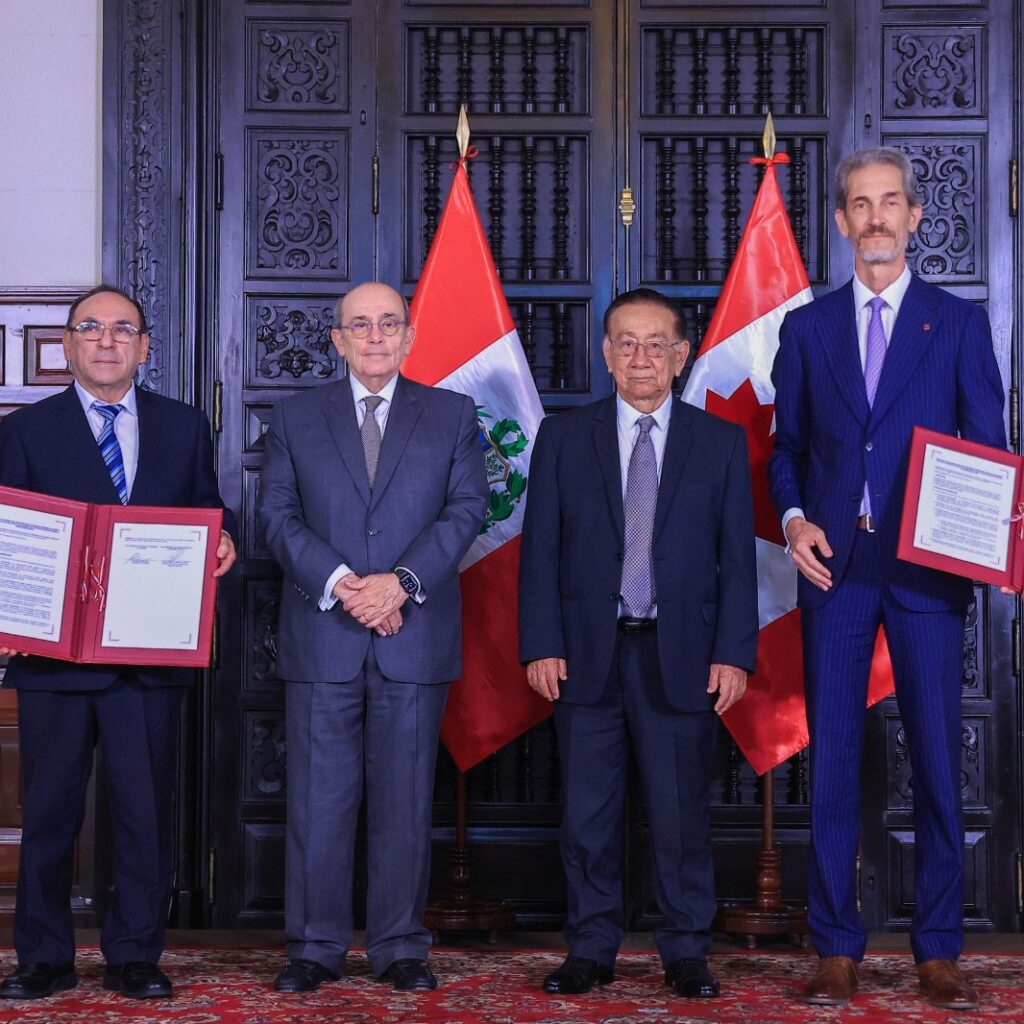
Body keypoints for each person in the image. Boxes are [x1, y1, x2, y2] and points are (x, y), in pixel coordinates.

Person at [768, 147, 1005, 1011]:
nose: (876, 217)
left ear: (913, 217)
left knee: (938, 759)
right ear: (842, 222)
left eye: (890, 202)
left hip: (927, 571)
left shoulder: (959, 323)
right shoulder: (808, 329)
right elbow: (787, 449)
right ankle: (835, 946)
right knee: (831, 762)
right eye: (860, 204)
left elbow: (988, 448)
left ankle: (938, 950)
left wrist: (991, 542)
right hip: (834, 570)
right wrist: (794, 519)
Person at [519, 288, 758, 999]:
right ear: (606, 353)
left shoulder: (719, 442)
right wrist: (540, 643)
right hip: (585, 654)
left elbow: (737, 559)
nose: (642, 358)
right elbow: (540, 552)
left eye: (657, 344)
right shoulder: (563, 438)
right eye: (627, 343)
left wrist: (734, 652)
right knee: (587, 818)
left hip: (682, 655)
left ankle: (685, 951)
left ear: (681, 356)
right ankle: (590, 950)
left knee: (681, 817)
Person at [0, 284, 237, 1001]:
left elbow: (206, 508)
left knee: (144, 812)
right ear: (67, 344)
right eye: (91, 328)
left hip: (147, 657)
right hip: (54, 661)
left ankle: (135, 955)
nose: (106, 341)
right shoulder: (24, 431)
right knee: (49, 816)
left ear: (144, 347)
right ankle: (42, 958)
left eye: (122, 329)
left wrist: (224, 539)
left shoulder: (183, 426)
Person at [256, 281, 487, 994]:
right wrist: (347, 586)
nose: (376, 336)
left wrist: (401, 584)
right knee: (317, 803)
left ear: (410, 336)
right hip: (324, 633)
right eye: (360, 325)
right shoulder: (296, 417)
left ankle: (400, 946)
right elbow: (276, 516)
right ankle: (314, 947)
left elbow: (467, 508)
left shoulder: (451, 414)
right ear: (338, 340)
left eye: (389, 323)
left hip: (413, 636)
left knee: (405, 802)